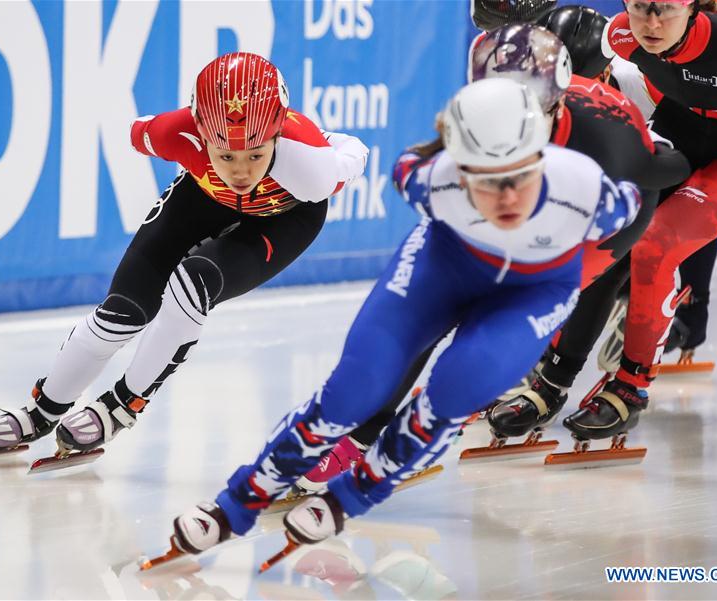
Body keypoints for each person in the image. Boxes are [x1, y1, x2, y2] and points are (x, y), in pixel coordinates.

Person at [164, 78, 641, 555]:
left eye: (520, 176)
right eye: (485, 181)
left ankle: (351, 497)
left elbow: (643, 198)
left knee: (459, 386)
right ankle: (237, 503)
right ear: (459, 167)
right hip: (447, 266)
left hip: (531, 291)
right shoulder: (424, 178)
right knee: (353, 390)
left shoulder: (591, 193)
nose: (507, 198)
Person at [292, 22, 689, 485]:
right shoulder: (482, 115)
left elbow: (669, 169)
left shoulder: (605, 134)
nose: (507, 123)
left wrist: (655, 147)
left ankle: (484, 392)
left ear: (553, 103)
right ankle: (358, 435)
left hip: (608, 209)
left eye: (524, 113)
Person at [0, 52, 368, 460]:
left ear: (278, 137)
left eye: (256, 155)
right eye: (225, 155)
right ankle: (41, 410)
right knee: (120, 312)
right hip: (202, 197)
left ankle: (122, 405)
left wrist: (330, 144)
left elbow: (355, 151)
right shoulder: (172, 134)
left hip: (286, 217)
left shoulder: (312, 169)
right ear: (200, 134)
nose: (241, 173)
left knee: (195, 283)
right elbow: (136, 129)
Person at [562, 0, 717, 446]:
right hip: (685, 128)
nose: (651, 23)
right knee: (611, 226)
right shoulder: (621, 36)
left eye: (664, 11)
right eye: (641, 8)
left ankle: (632, 385)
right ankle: (552, 373)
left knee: (657, 241)